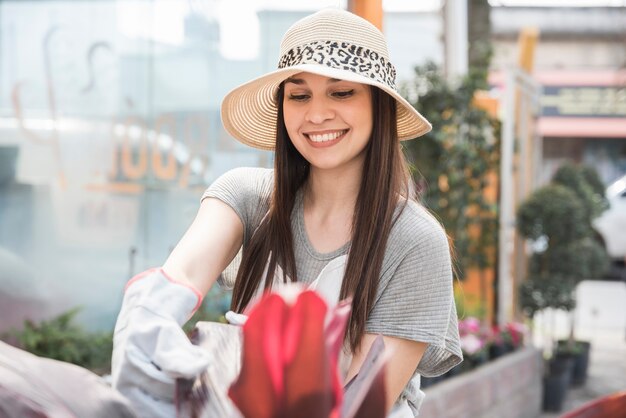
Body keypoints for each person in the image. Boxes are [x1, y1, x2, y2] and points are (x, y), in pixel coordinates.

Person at [111, 8, 462, 418]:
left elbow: (362, 403)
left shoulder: (414, 241)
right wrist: (147, 315)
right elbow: (182, 275)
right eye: (299, 95)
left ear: (379, 106)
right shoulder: (245, 197)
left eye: (341, 92)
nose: (316, 114)